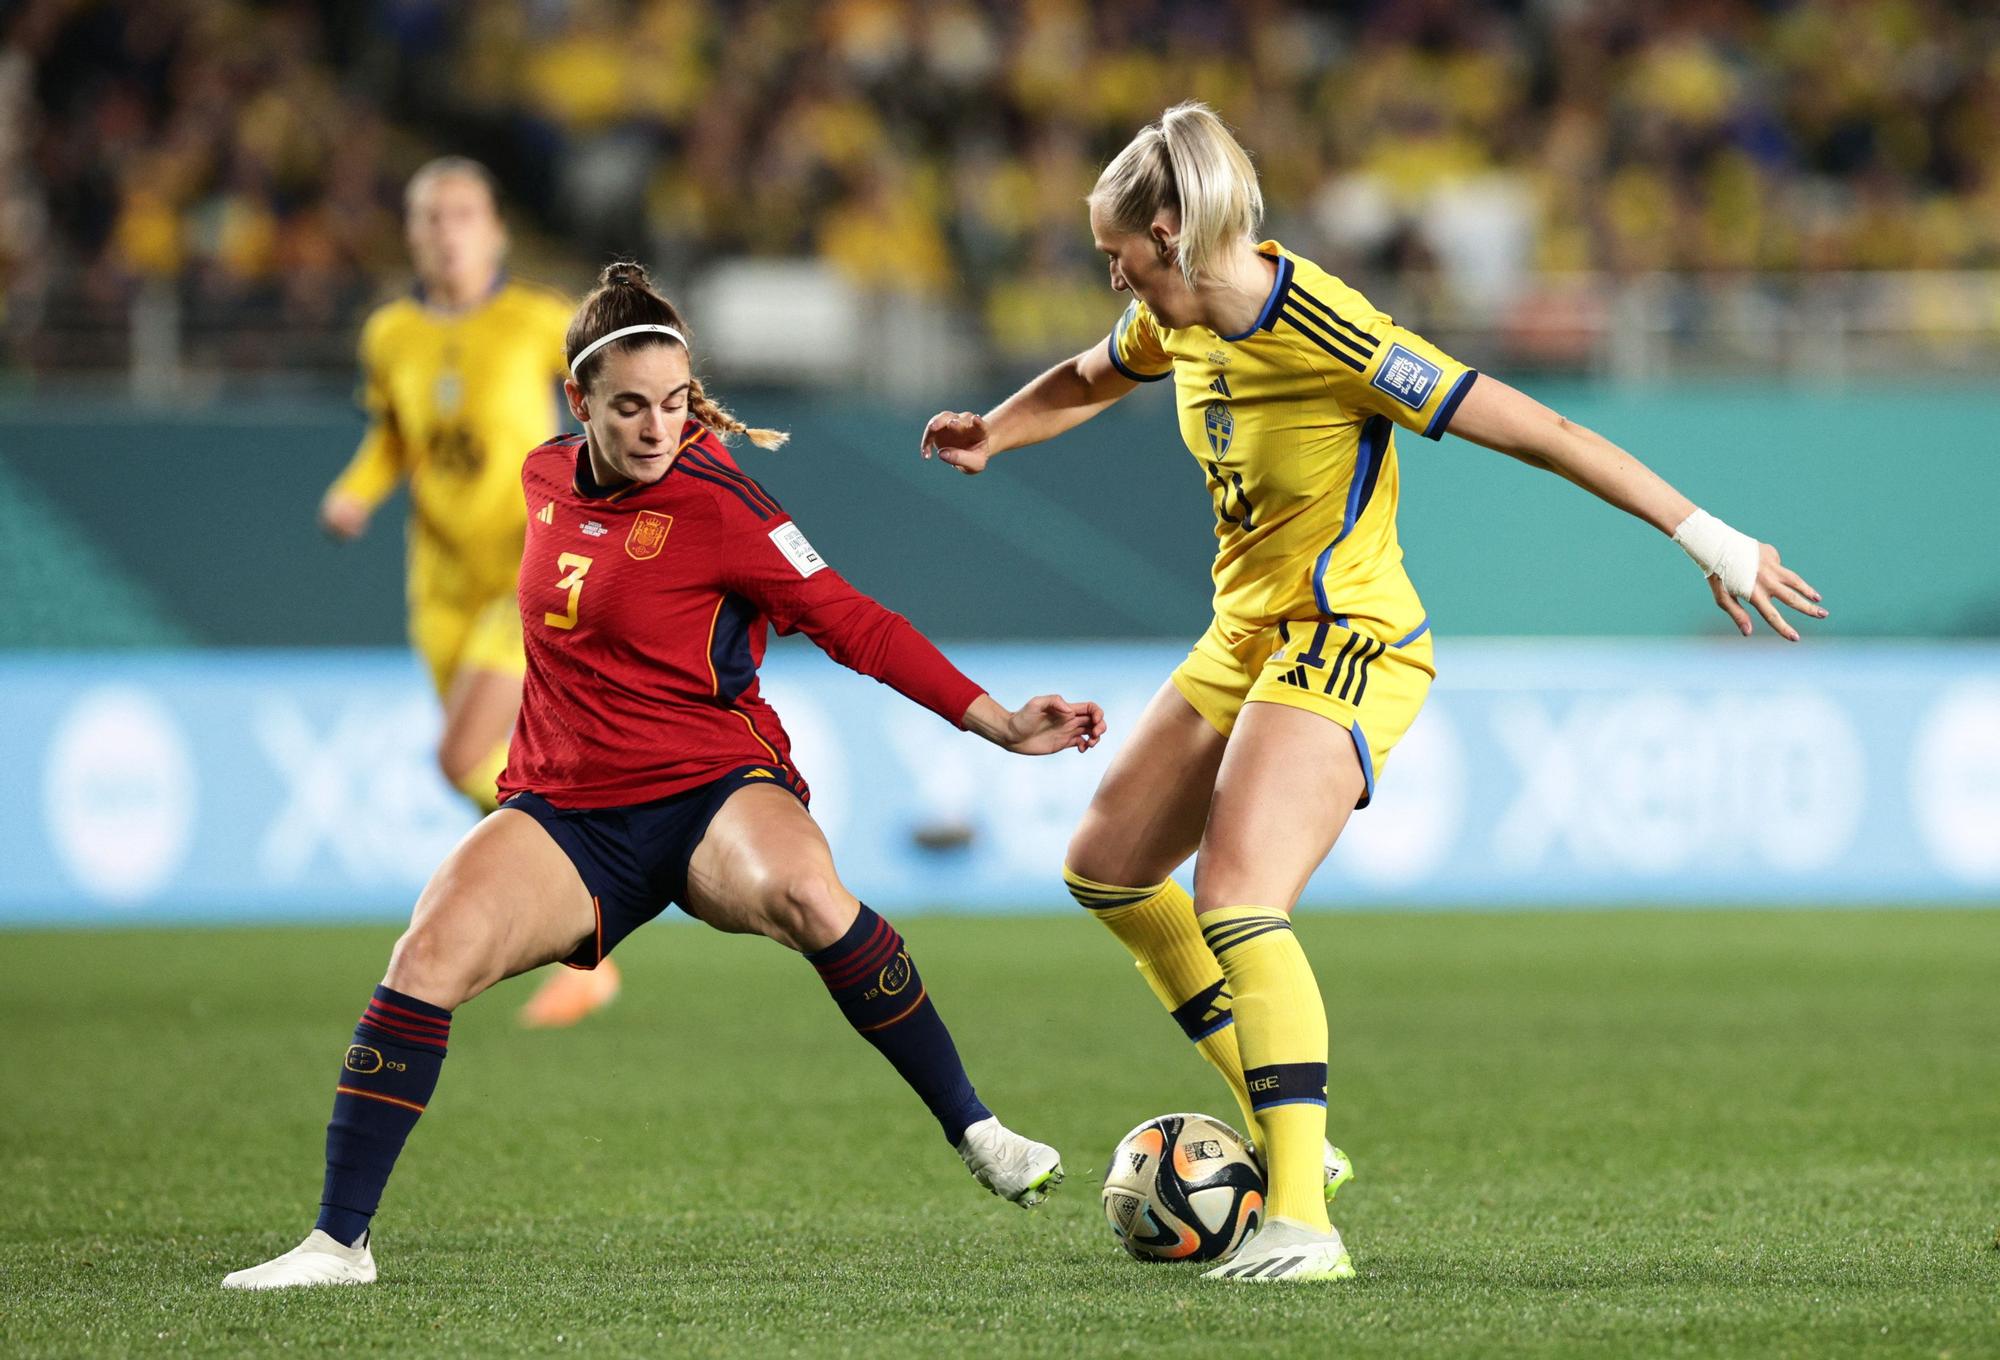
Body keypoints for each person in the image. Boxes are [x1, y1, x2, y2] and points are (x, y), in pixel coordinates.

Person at [920, 102, 1826, 1283]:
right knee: (1104, 865)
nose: (1112, 277)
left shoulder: (1327, 329)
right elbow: (1088, 376)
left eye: (1117, 255)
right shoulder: (1174, 316)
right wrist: (994, 430)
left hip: (1347, 636)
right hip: (1242, 632)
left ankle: (1302, 1220)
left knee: (1238, 897)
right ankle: (1283, 1114)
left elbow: (1538, 428)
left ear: (1168, 230)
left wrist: (1707, 535)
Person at [225, 262, 1104, 1290]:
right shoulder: (541, 476)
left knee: (808, 894)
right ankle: (337, 1244)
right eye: (631, 407)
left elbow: (851, 620)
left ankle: (978, 1128)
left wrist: (994, 720)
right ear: (578, 403)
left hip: (712, 790)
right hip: (566, 816)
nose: (656, 428)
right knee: (425, 954)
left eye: (675, 404)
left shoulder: (723, 501)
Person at [319, 156, 622, 1029]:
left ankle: (597, 874)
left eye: (459, 214)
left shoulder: (536, 321)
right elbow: (392, 437)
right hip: (439, 581)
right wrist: (356, 490)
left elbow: (615, 387)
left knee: (460, 757)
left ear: (493, 230)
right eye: (427, 216)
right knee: (489, 773)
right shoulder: (388, 335)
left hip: (524, 566)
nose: (443, 229)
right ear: (411, 234)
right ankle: (588, 920)